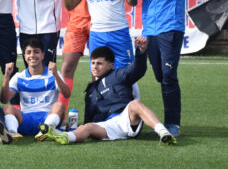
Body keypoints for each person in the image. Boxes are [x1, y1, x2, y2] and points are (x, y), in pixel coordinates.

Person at [40, 40, 177, 145]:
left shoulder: (119, 75)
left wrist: (141, 51)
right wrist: (74, 127)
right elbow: (89, 119)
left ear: (110, 65)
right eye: (93, 63)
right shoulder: (90, 91)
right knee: (87, 127)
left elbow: (138, 70)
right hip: (107, 126)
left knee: (135, 104)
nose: (95, 67)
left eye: (99, 63)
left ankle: (163, 132)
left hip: (126, 118)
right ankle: (64, 137)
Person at [139, 0, 199, 137]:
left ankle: (172, 125)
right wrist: (145, 32)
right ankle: (166, 124)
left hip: (171, 29)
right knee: (160, 76)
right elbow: (146, 6)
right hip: (152, 33)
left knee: (168, 77)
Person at [0, 39, 70, 140]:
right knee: (7, 108)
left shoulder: (54, 73)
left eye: (36, 52)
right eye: (28, 52)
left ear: (43, 55)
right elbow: (4, 99)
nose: (32, 55)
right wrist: (6, 76)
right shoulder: (19, 76)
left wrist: (56, 75)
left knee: (60, 105)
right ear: (24, 56)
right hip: (26, 119)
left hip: (48, 116)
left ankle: (46, 129)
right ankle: (12, 133)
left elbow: (67, 94)